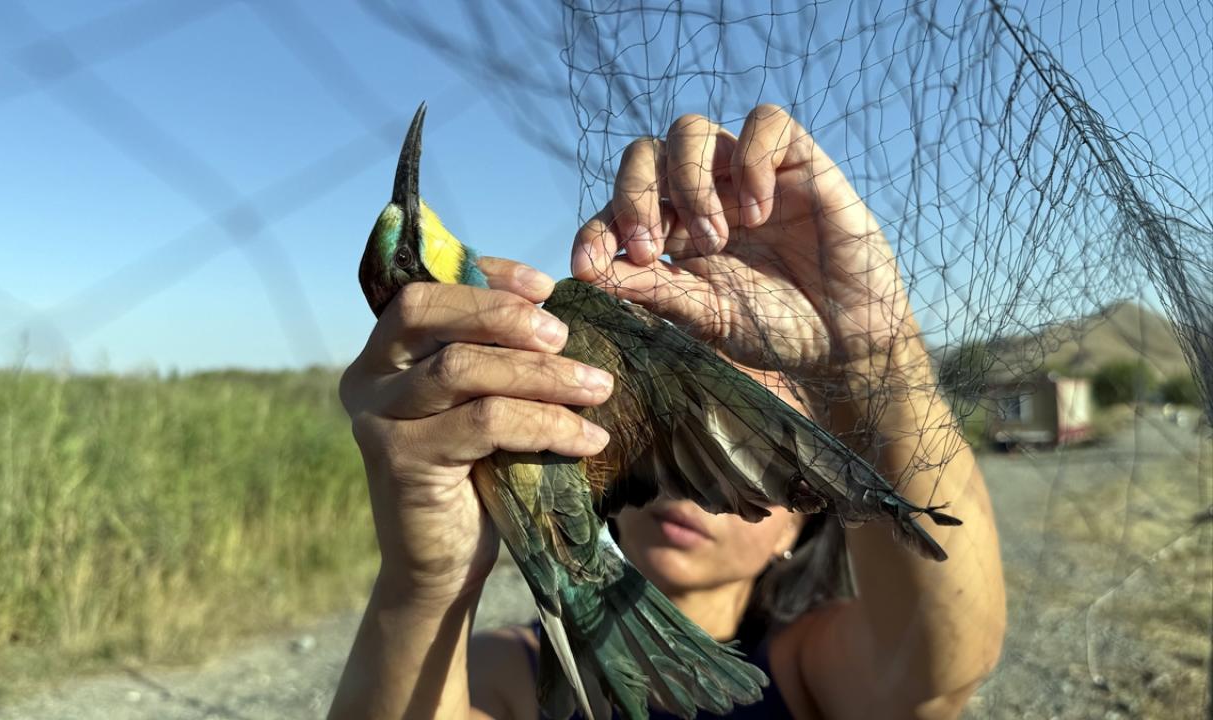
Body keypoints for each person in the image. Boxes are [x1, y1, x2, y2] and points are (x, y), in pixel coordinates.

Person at [330, 105, 1006, 720]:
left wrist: (872, 358)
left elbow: (939, 669)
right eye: (670, 427)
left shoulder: (807, 669)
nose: (687, 497)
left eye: (752, 450)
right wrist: (425, 578)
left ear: (802, 521)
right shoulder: (500, 668)